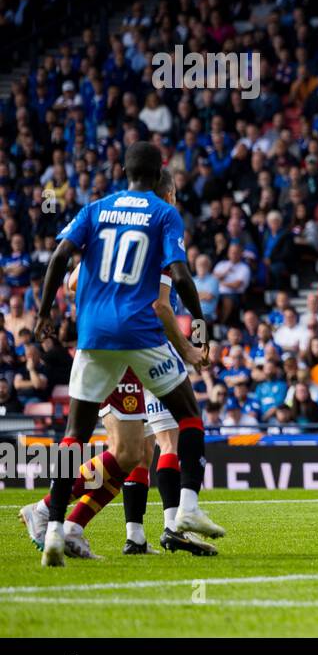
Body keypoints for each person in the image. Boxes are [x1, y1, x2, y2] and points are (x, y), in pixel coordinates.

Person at [32, 141, 221, 567]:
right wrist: (202, 325)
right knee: (188, 416)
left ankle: (57, 530)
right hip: (139, 333)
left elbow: (61, 258)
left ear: (122, 171)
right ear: (158, 176)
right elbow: (180, 274)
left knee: (73, 438)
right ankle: (185, 509)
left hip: (94, 335)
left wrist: (44, 314)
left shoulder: (96, 209)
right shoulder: (163, 214)